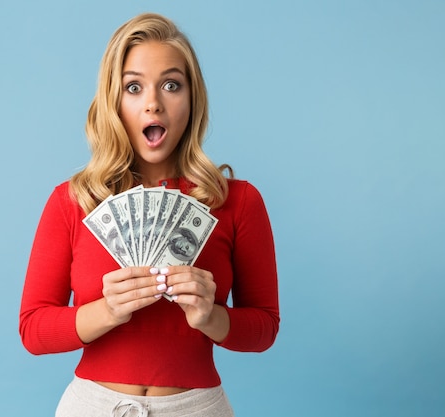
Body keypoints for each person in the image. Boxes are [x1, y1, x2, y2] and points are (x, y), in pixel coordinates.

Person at [19, 12, 279, 417]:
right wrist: (106, 312)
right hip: (92, 406)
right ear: (114, 101)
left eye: (171, 85)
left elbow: (263, 329)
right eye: (134, 87)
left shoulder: (238, 201)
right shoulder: (73, 201)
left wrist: (211, 317)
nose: (153, 102)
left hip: (197, 408)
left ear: (193, 100)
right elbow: (33, 330)